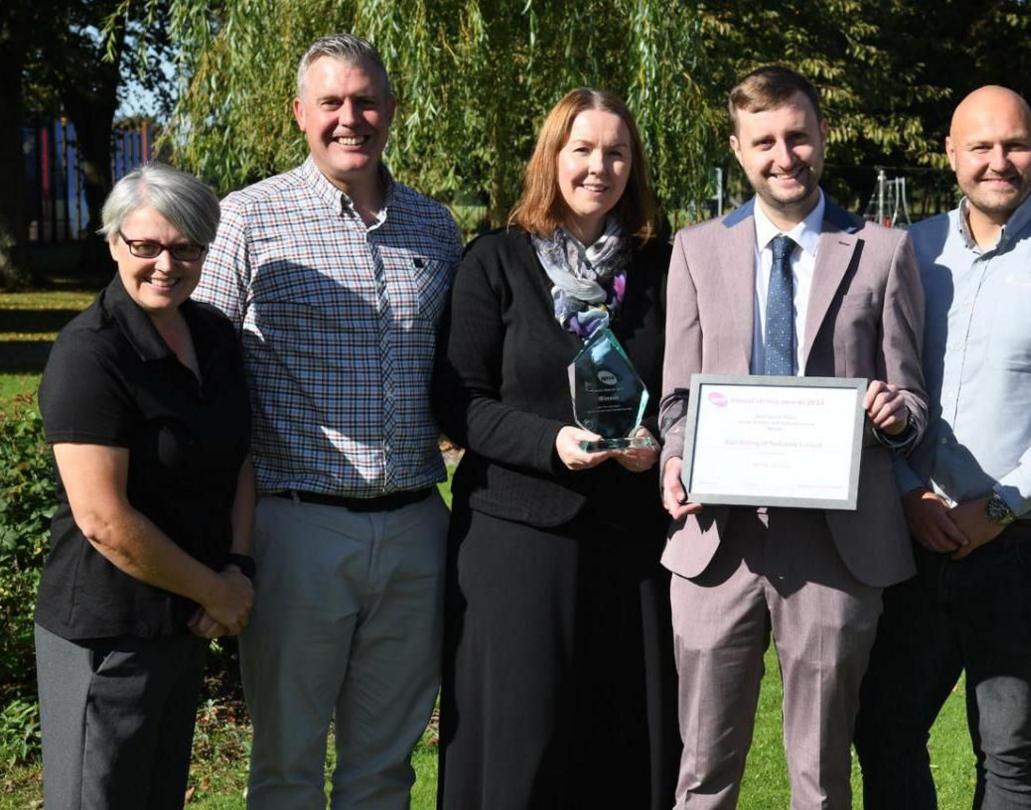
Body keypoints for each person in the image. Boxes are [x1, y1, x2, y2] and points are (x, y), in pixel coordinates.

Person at [193, 33, 461, 808]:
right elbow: (201, 371)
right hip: (297, 526)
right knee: (287, 763)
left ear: (391, 109)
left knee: (385, 767)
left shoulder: (435, 229)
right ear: (300, 113)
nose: (352, 118)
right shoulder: (247, 220)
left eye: (367, 100)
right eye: (333, 102)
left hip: (416, 526)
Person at [852, 86, 1031, 809]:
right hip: (915, 542)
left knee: (1008, 757)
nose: (998, 161)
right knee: (882, 729)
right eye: (980, 146)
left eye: (1014, 144)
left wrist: (1002, 507)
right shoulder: (908, 251)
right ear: (950, 154)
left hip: (1027, 549)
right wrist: (907, 491)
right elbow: (880, 386)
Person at [658, 65, 927, 809]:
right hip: (718, 544)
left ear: (822, 137)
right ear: (740, 150)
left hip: (835, 548)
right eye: (765, 141)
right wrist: (676, 458)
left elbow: (914, 398)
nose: (785, 156)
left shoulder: (882, 250)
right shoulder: (696, 249)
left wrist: (895, 413)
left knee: (820, 778)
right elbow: (677, 396)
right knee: (703, 774)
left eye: (798, 136)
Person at [431, 87, 679, 809]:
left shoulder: (663, 268)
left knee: (623, 739)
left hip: (633, 545)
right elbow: (458, 400)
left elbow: (686, 387)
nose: (599, 166)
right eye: (582, 149)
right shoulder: (495, 262)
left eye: (616, 152)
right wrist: (552, 442)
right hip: (517, 538)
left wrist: (659, 445)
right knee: (521, 742)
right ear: (553, 158)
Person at [33, 162, 255, 810]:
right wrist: (217, 589)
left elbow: (240, 458)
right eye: (147, 246)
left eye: (186, 247)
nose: (166, 263)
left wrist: (237, 569)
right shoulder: (89, 353)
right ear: (113, 243)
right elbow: (103, 518)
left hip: (182, 625)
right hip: (107, 634)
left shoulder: (213, 336)